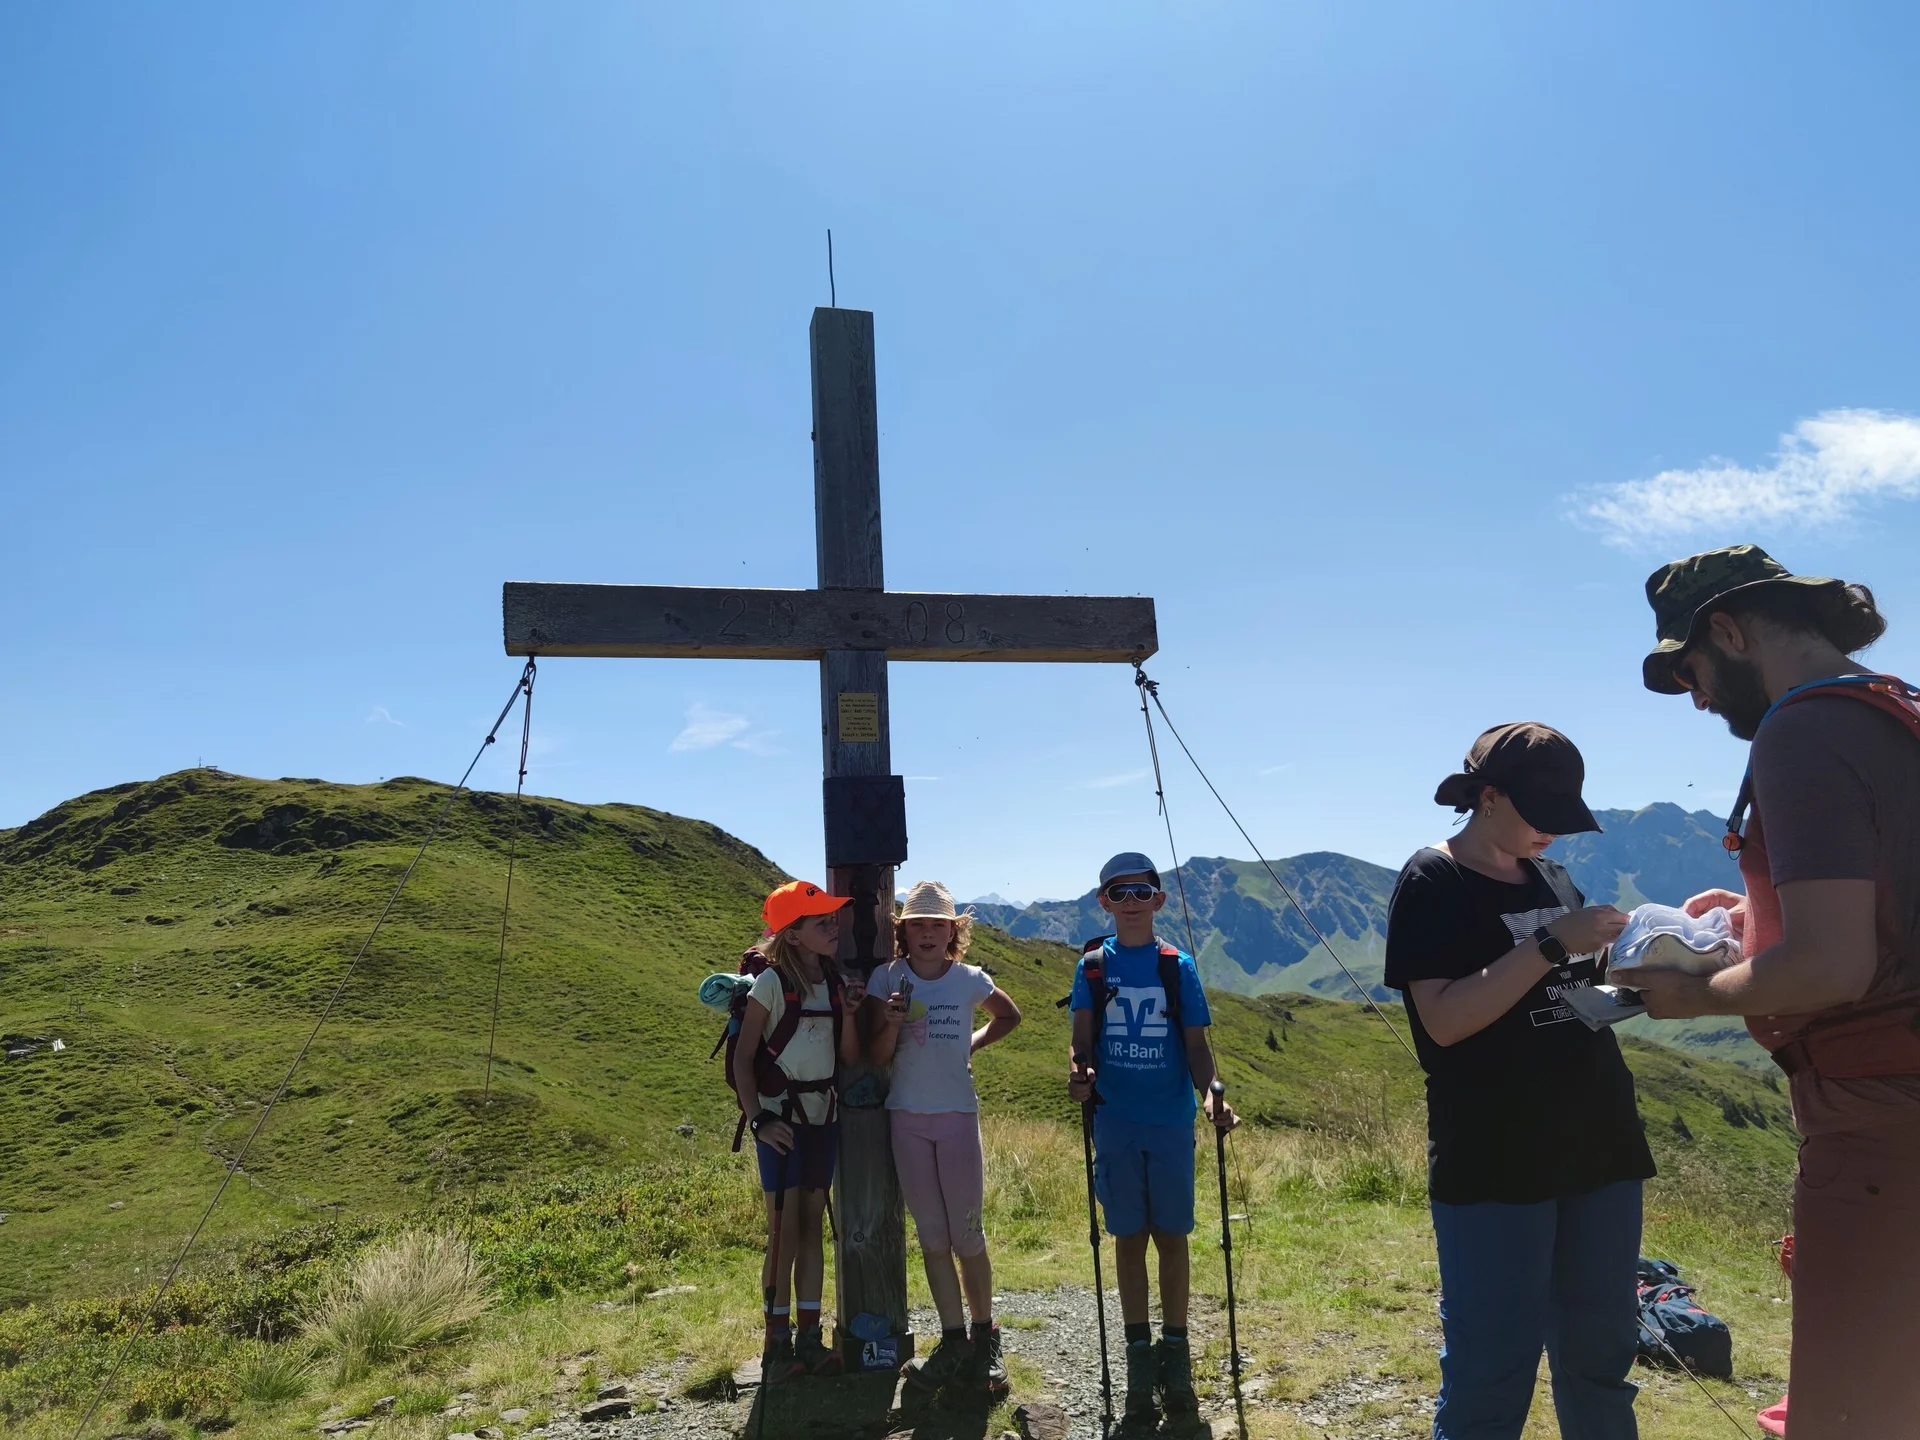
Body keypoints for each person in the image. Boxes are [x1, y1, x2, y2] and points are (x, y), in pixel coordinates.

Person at [1628, 545, 1920, 1437]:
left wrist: (1689, 993)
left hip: (1878, 1124)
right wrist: (1755, 920)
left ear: (1728, 631)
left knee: (1852, 1411)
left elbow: (1834, 968)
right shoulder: (1897, 711)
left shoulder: (1802, 730)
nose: (1698, 700)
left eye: (1692, 674)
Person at [1383, 723, 1654, 1440]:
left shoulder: (1552, 877)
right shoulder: (1433, 879)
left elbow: (1572, 995)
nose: (1551, 833)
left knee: (1601, 1358)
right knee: (1491, 1371)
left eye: (1563, 818)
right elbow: (1444, 1020)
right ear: (1489, 796)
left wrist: (1654, 961)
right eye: (1540, 815)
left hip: (1600, 1146)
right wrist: (1551, 942)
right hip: (1496, 1157)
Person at [1066, 852, 1236, 1427]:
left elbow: (1197, 1046)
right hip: (1115, 1120)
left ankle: (1175, 1354)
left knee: (1172, 1235)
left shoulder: (1176, 966)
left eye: (1143, 892)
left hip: (1168, 1120)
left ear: (1159, 901)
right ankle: (1141, 1358)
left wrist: (1211, 1096)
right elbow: (1080, 1041)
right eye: (1120, 893)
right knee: (1128, 1235)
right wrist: (1079, 1073)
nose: (1132, 902)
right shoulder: (1092, 967)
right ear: (1104, 902)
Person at [864, 880, 1022, 1397]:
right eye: (918, 925)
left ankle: (985, 1338)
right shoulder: (886, 977)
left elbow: (1009, 1016)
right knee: (932, 1236)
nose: (928, 934)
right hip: (906, 1117)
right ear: (903, 931)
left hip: (956, 1115)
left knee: (967, 1235)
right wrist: (890, 1023)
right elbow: (877, 1056)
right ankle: (953, 1339)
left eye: (938, 925)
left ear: (954, 931)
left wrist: (970, 1045)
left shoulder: (969, 979)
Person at [731, 880, 868, 1383]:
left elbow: (847, 1059)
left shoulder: (833, 983)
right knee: (784, 1232)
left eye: (833, 919)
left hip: (822, 1119)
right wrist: (759, 1120)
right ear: (791, 934)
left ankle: (808, 1338)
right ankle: (778, 1344)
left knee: (810, 1227)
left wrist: (848, 1014)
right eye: (821, 922)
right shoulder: (771, 984)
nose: (833, 927)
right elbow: (744, 1059)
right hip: (783, 1122)